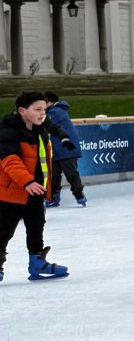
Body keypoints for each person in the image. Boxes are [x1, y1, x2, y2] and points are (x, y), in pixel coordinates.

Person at [1, 91, 71, 281]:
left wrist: (64, 138)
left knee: (36, 227)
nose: (43, 113)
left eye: (44, 109)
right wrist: (27, 181)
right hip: (11, 192)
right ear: (22, 111)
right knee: (4, 231)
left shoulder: (39, 128)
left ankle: (37, 263)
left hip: (35, 191)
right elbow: (10, 160)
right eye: (38, 109)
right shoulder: (8, 130)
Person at [42, 90, 87, 205]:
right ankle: (53, 198)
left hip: (67, 149)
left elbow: (44, 125)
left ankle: (79, 195)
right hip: (56, 150)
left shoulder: (56, 112)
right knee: (53, 176)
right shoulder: (51, 112)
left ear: (50, 102)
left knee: (71, 174)